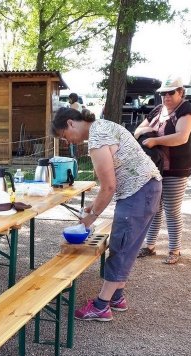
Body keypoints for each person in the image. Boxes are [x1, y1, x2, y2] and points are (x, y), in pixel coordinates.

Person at [51, 108, 162, 321]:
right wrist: (93, 206)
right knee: (128, 245)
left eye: (64, 136)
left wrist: (91, 218)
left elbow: (109, 186)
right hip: (148, 188)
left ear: (71, 123)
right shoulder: (103, 126)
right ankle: (117, 296)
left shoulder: (97, 138)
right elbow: (110, 185)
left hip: (139, 192)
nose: (67, 142)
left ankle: (102, 306)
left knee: (120, 247)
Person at [134, 77, 191, 264]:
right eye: (163, 93)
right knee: (154, 208)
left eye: (171, 92)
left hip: (176, 168)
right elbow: (138, 129)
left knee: (172, 209)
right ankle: (150, 246)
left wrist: (155, 140)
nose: (166, 96)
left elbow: (181, 137)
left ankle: (174, 250)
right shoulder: (158, 110)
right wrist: (145, 133)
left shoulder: (186, 110)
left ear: (181, 92)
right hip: (156, 168)